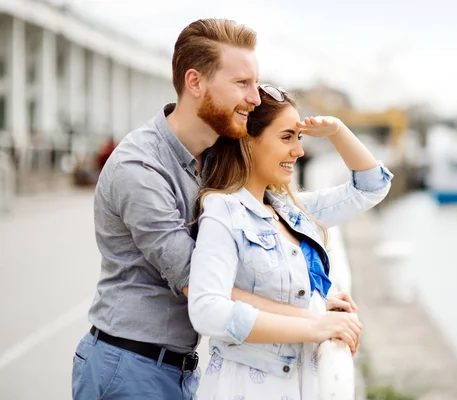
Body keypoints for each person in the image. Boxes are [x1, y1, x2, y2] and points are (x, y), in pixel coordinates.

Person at [72, 19, 358, 400]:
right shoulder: (138, 170)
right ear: (195, 82)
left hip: (181, 368)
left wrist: (310, 294)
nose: (255, 98)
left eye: (255, 83)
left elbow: (263, 236)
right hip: (129, 368)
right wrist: (311, 314)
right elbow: (204, 285)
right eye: (242, 84)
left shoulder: (214, 159)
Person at [188, 85, 393, 399]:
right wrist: (314, 324)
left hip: (298, 383)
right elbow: (207, 310)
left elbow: (371, 187)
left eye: (299, 138)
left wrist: (337, 130)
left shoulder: (291, 209)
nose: (299, 151)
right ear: (247, 141)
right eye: (287, 137)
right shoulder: (223, 211)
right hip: (249, 387)